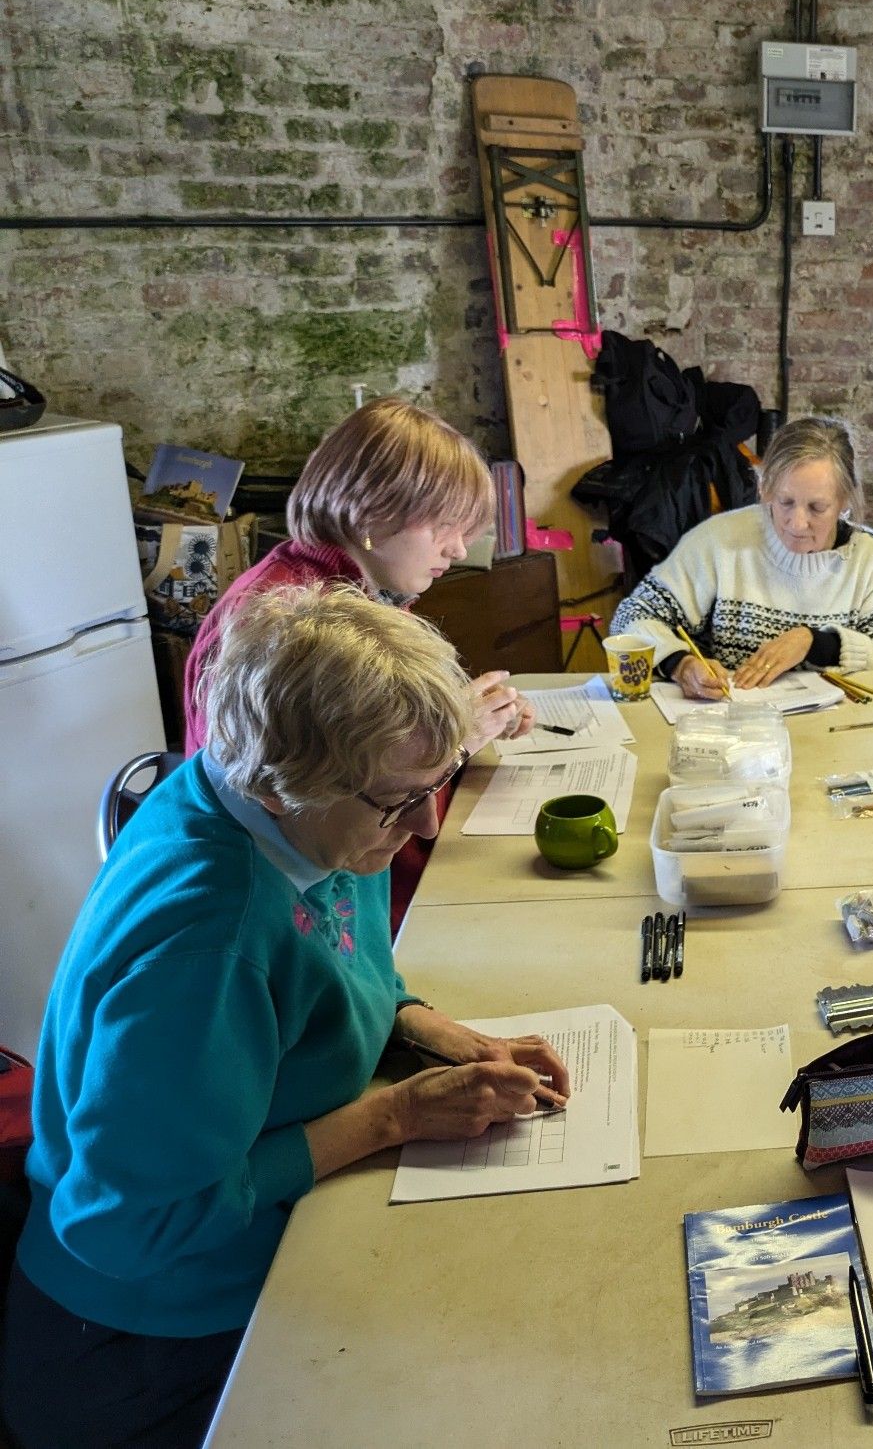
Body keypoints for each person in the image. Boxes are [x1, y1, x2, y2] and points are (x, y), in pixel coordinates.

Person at [1, 587, 571, 1449]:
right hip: (143, 1335)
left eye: (439, 781)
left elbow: (335, 956)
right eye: (399, 800)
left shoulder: (307, 817)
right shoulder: (203, 945)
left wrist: (418, 1021)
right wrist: (396, 1112)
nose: (423, 824)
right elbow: (126, 1224)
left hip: (233, 1261)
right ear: (283, 784)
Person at [182, 396, 534, 753]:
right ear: (372, 511)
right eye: (444, 526)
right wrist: (453, 742)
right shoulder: (289, 621)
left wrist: (463, 713)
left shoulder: (359, 592)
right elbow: (312, 797)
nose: (458, 550)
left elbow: (370, 728)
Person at [610, 415, 873, 696]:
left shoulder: (866, 553)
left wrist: (814, 642)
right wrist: (680, 664)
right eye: (785, 501)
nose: (797, 523)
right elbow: (632, 617)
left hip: (837, 730)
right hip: (734, 727)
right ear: (764, 488)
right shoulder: (721, 539)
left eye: (817, 508)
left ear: (845, 501)